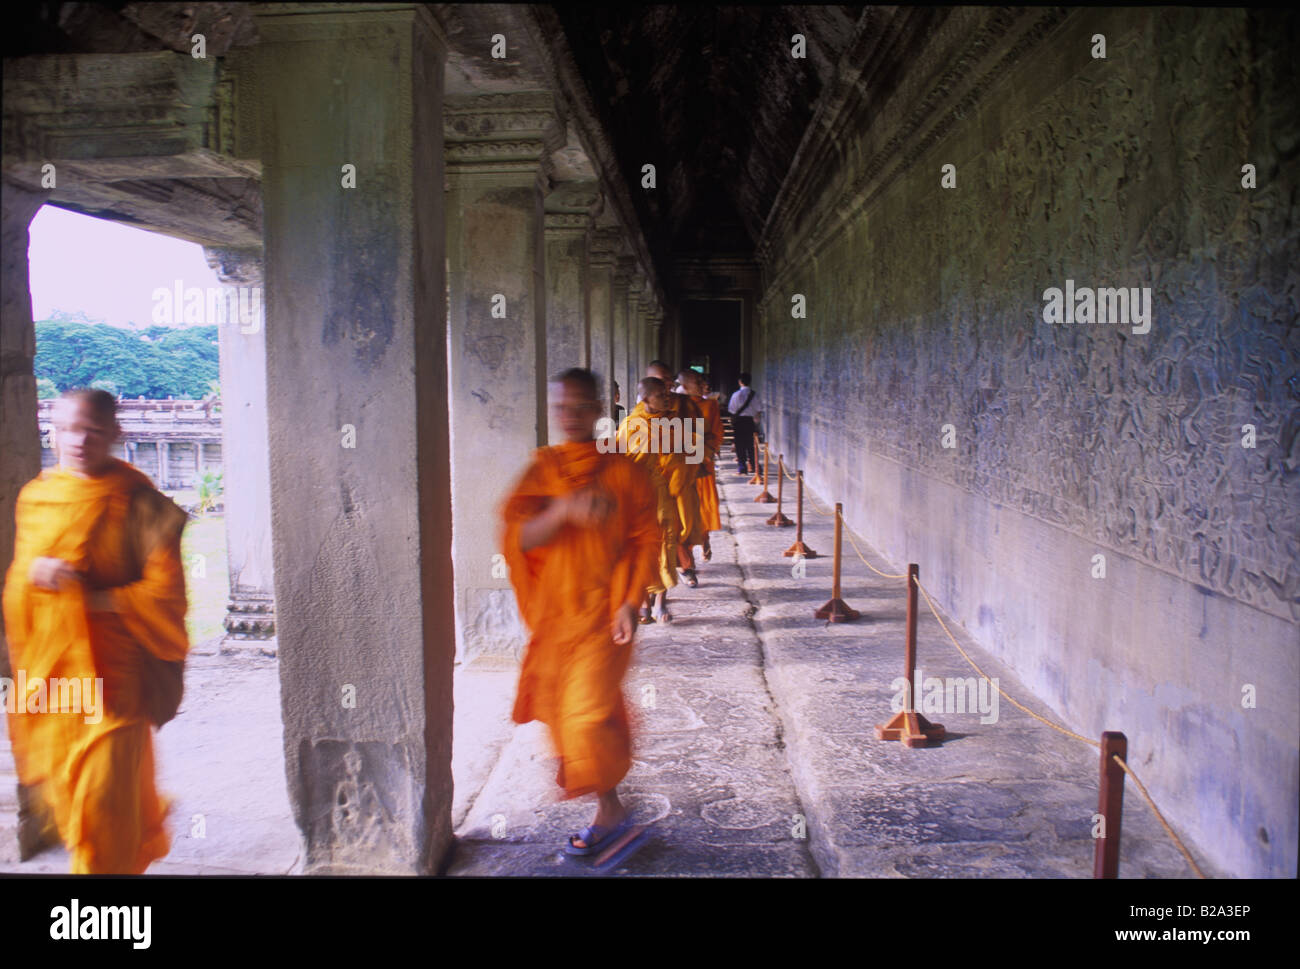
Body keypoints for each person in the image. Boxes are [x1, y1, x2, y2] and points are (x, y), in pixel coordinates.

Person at [3, 388, 190, 874]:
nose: (78, 441)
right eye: (66, 429)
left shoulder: (142, 504)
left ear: (115, 433)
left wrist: (85, 597)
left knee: (104, 807)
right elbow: (18, 593)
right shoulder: (37, 498)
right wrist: (35, 579)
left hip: (116, 686)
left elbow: (165, 598)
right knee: (75, 810)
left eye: (91, 430)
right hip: (57, 683)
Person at [500, 368, 660, 854]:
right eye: (561, 408)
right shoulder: (542, 469)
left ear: (599, 411)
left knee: (586, 714)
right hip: (556, 617)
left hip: (606, 614)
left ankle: (612, 812)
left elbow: (645, 539)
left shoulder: (625, 470)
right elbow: (515, 538)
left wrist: (632, 602)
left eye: (580, 407)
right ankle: (611, 806)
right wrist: (564, 511)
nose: (570, 417)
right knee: (569, 716)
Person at [645, 361, 706, 587]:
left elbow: (699, 441)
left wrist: (689, 469)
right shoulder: (637, 414)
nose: (668, 385)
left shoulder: (686, 405)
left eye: (670, 380)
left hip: (681, 479)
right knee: (661, 531)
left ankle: (682, 565)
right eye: (661, 381)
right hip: (653, 484)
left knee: (684, 526)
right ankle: (682, 567)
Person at [678, 369, 722, 561]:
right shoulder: (675, 407)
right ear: (685, 386)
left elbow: (716, 434)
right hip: (681, 467)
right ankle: (687, 560)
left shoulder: (710, 406)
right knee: (683, 511)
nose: (703, 385)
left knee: (703, 508)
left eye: (703, 381)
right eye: (698, 382)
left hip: (702, 466)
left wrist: (705, 451)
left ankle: (704, 538)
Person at [728, 372, 762, 476]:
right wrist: (756, 421)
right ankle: (754, 466)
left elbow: (732, 410)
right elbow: (759, 409)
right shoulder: (755, 395)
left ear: (740, 382)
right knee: (750, 445)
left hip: (739, 422)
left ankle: (742, 468)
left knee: (740, 445)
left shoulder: (736, 395)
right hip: (749, 421)